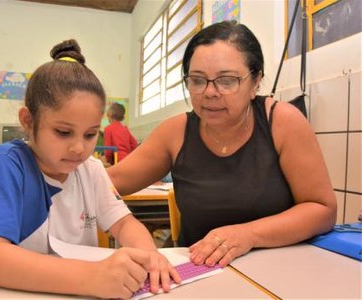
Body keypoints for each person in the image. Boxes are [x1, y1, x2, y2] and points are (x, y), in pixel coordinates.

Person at [107, 21, 337, 267]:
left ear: (256, 81)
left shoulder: (282, 122)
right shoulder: (175, 132)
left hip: (277, 269)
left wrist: (248, 234)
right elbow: (106, 182)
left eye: (226, 80)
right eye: (197, 80)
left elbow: (322, 208)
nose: (210, 92)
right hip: (199, 271)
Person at [0, 39, 180, 299]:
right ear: (28, 121)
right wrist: (91, 277)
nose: (79, 148)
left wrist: (150, 256)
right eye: (63, 132)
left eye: (90, 135)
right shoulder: (4, 165)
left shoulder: (91, 170)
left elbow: (125, 224)